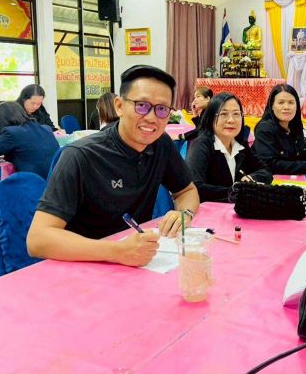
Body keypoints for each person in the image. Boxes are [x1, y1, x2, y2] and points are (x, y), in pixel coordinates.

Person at [27, 65, 200, 267]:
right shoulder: (80, 156)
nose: (152, 117)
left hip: (137, 265)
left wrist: (184, 214)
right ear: (119, 106)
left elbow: (186, 190)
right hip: (84, 266)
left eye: (162, 109)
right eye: (141, 105)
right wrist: (117, 251)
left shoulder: (161, 144)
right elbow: (38, 239)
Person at [186, 92, 272, 202]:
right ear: (211, 118)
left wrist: (251, 178)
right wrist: (237, 191)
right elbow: (195, 187)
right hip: (208, 210)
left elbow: (265, 171)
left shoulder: (240, 144)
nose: (231, 120)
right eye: (223, 114)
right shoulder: (201, 145)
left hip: (235, 208)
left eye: (236, 114)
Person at [253, 84, 306, 175]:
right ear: (272, 106)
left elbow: (303, 154)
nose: (286, 107)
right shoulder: (264, 129)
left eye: (291, 102)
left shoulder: (295, 126)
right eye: (281, 102)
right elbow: (270, 165)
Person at [0, 102, 59, 179]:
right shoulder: (46, 129)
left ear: (1, 122)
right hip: (56, 182)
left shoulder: (12, 133)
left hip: (34, 184)